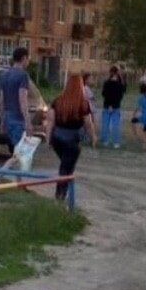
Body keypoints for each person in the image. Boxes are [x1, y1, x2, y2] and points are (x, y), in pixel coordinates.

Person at [45, 73, 96, 202]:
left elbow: (50, 121)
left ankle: (62, 195)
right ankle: (60, 196)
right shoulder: (83, 104)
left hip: (57, 138)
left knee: (66, 165)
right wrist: (93, 137)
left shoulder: (57, 100)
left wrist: (48, 138)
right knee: (66, 167)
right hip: (73, 140)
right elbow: (88, 124)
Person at [99, 65, 126, 149]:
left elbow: (103, 94)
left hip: (106, 106)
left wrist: (109, 103)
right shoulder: (120, 84)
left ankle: (105, 141)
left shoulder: (106, 83)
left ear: (110, 72)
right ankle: (116, 143)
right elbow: (121, 95)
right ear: (117, 73)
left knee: (105, 125)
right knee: (116, 126)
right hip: (116, 106)